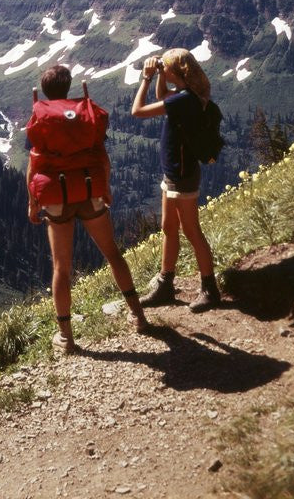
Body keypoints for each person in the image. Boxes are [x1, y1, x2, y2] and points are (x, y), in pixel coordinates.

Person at [27, 64, 149, 353]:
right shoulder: (84, 113)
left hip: (57, 195)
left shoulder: (41, 116)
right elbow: (102, 157)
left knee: (61, 268)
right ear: (68, 86)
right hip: (89, 187)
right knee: (112, 253)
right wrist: (105, 187)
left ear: (44, 91)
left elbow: (33, 167)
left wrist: (33, 202)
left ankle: (67, 338)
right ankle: (138, 315)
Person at [131, 48, 221, 312]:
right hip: (173, 173)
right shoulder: (186, 96)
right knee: (169, 228)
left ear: (177, 71)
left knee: (192, 231)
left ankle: (210, 289)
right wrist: (160, 74)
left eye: (165, 66)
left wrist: (146, 78)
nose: (162, 68)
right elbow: (162, 97)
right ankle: (165, 284)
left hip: (182, 176)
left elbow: (138, 111)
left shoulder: (184, 100)